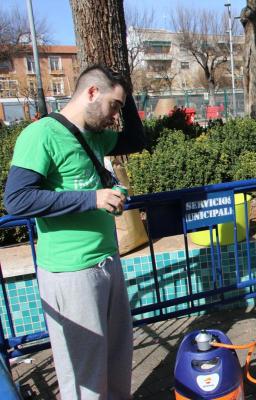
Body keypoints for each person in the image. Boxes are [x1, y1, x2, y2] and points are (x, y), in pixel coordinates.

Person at [3, 64, 147, 399]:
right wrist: (92, 198)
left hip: (107, 263)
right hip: (71, 273)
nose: (115, 116)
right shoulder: (40, 135)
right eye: (114, 105)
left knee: (117, 361)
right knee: (84, 376)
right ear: (92, 92)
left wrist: (128, 95)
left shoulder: (94, 134)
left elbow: (137, 139)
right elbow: (17, 200)